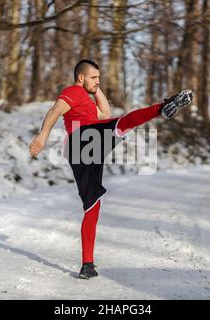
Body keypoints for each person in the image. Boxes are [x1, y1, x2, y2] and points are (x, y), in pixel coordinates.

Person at [29, 59, 192, 280]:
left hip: (81, 152)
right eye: (94, 77)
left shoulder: (85, 100)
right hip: (84, 137)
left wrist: (95, 88)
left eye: (99, 78)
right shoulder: (74, 91)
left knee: (92, 203)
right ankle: (161, 108)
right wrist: (43, 134)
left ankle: (88, 265)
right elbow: (55, 110)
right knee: (123, 123)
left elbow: (104, 113)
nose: (98, 81)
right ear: (80, 78)